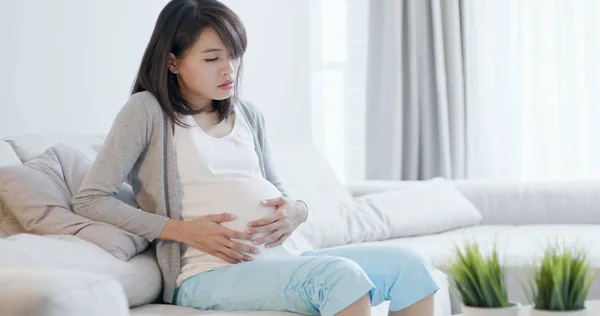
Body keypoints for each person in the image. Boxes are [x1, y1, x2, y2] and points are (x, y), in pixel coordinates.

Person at [72, 1, 439, 315]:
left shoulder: (247, 115)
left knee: (411, 266)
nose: (228, 69)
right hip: (207, 273)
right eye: (212, 57)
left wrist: (298, 210)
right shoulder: (147, 112)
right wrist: (180, 230)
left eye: (233, 56)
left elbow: (277, 190)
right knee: (339, 275)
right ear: (173, 62)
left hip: (283, 258)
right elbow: (91, 199)